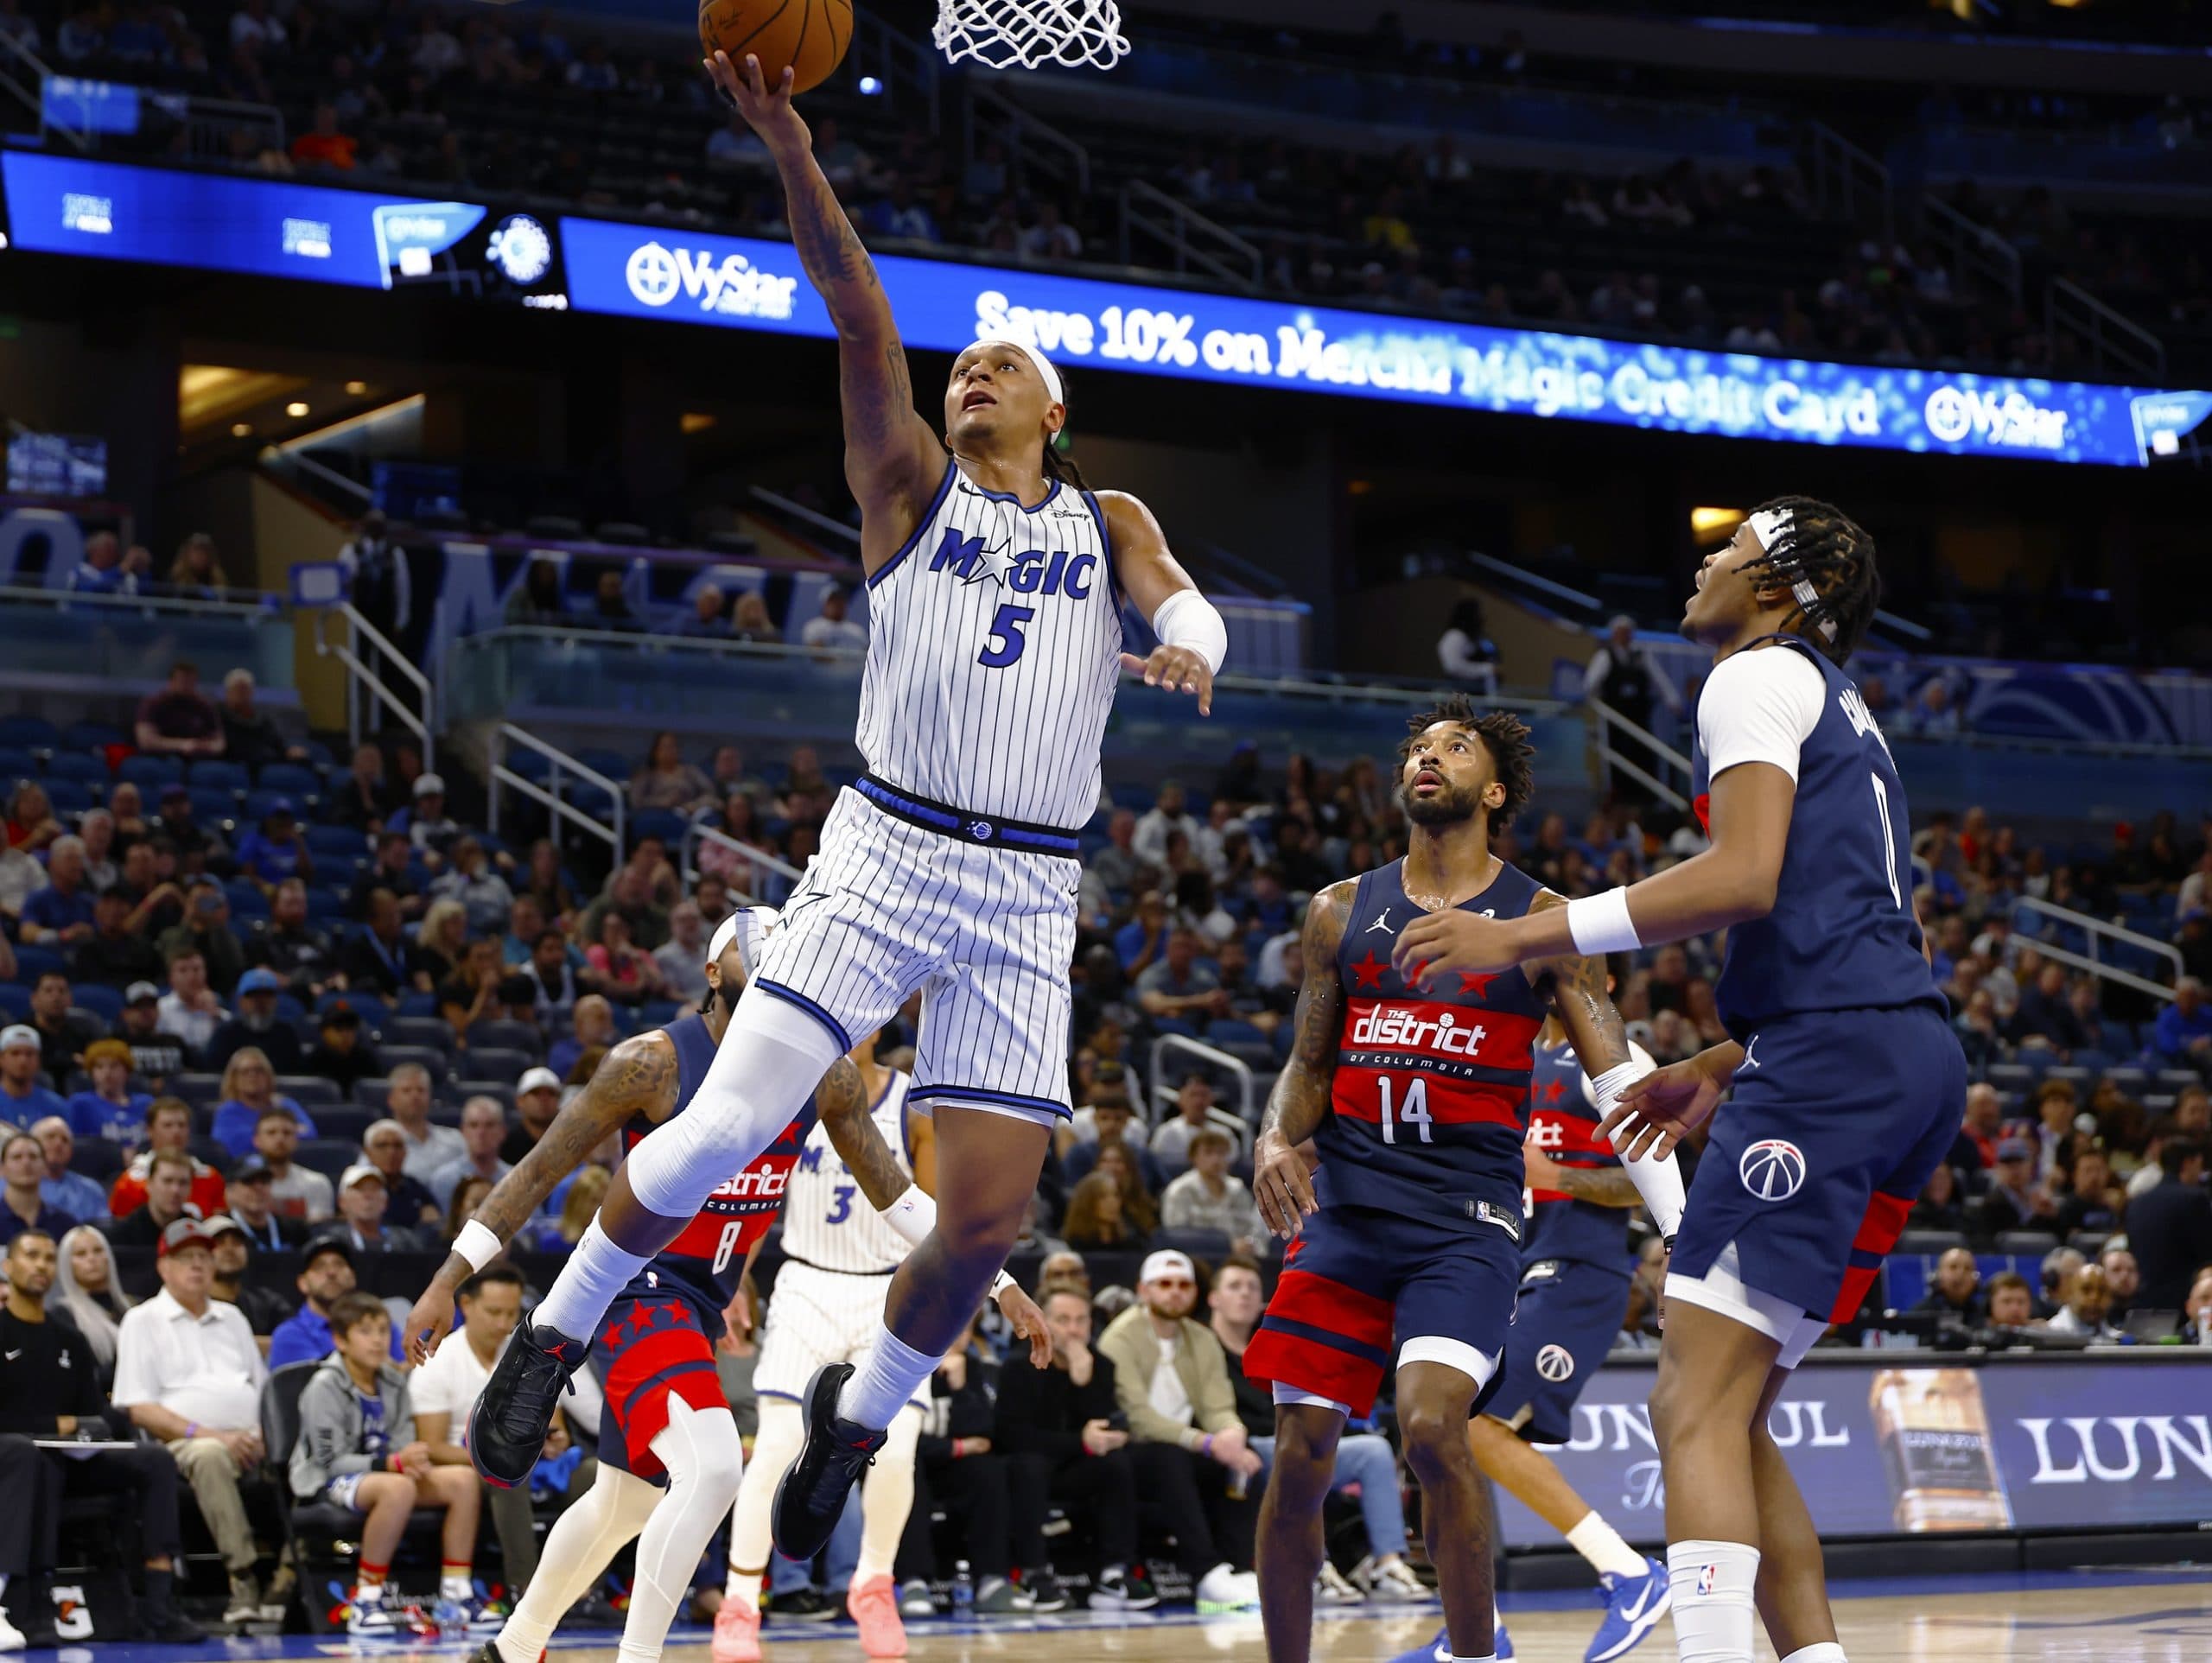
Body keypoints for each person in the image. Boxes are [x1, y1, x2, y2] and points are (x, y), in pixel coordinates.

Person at [464, 53, 1224, 1565]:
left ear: (1056, 409)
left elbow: (1183, 601)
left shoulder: (1105, 517)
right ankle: (553, 1333)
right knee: (723, 1120)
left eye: (1003, 364)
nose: (972, 371)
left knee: (990, 1225)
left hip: (1025, 890)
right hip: (884, 849)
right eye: (966, 366)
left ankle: (857, 1421)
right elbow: (860, 311)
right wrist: (793, 150)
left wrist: (1191, 647)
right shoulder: (904, 490)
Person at [1396, 500, 1962, 1663]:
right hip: (1898, 1055)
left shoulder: (1752, 675)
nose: (1703, 561)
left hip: (1834, 1056)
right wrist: (1722, 1058)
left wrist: (1524, 939)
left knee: (1688, 1405)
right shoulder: (1835, 698)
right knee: (1736, 1415)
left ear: (1778, 587)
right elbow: (1837, 912)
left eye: (1731, 549)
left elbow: (1746, 877)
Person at [404, 910, 1045, 1663]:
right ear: (714, 972)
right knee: (714, 1468)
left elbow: (898, 1196)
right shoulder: (651, 1063)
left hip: (697, 1304)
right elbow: (539, 1169)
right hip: (634, 1287)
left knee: (625, 1503)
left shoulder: (825, 1073)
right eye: (755, 943)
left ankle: (511, 1649)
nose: (775, 950)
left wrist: (997, 1282)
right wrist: (449, 1275)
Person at [1244, 701, 1669, 1663]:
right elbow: (1309, 1064)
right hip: (1346, 1211)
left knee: (1435, 1427)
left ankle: (1474, 1654)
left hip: (1461, 1225)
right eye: (1416, 746)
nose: (1426, 756)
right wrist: (1275, 1139)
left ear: (1497, 789)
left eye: (1453, 746)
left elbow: (1615, 1080)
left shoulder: (1541, 918)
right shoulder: (1340, 907)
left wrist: (1678, 1218)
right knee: (1299, 1453)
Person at [0, 1230, 206, 1641]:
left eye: (48, 1258)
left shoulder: (70, 1340)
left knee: (155, 1460)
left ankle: (159, 1597)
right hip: (14, 1459)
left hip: (66, 1458)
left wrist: (89, 1425)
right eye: (31, 1256)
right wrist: (58, 1425)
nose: (40, 1265)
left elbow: (90, 1415)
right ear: (7, 1267)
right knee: (32, 1455)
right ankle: (24, 1603)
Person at [1207, 1256, 1421, 1603]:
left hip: (1288, 1437)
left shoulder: (1272, 1339)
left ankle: (1386, 1564)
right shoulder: (1204, 1346)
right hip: (1243, 1447)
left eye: (1252, 1287)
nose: (1245, 1295)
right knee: (1295, 1450)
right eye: (1234, 1287)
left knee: (1373, 1450)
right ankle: (1313, 1568)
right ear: (1214, 1298)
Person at [110, 1216, 282, 1629]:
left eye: (204, 1256)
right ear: (163, 1267)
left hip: (249, 1440)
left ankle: (291, 1575)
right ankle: (243, 1579)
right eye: (186, 1257)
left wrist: (257, 1435)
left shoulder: (233, 1318)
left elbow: (262, 1393)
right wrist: (215, 1435)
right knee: (209, 1455)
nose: (198, 1265)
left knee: (305, 1452)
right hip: (180, 1442)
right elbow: (137, 1407)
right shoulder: (142, 1319)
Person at [291, 1291, 486, 1635]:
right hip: (328, 1480)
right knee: (397, 1488)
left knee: (463, 1480)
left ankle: (456, 1595)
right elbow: (331, 1461)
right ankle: (366, 1600)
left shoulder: (394, 1382)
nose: (378, 1340)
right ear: (341, 1340)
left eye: (383, 1331)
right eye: (366, 1332)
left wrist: (408, 1460)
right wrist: (393, 1462)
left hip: (386, 1473)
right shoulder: (324, 1385)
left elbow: (401, 1442)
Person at [1096, 1250, 1261, 1611]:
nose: (1175, 1292)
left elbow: (1217, 1406)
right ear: (1144, 1290)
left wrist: (1232, 1433)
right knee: (1169, 1459)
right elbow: (1138, 1416)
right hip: (1133, 1448)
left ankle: (1238, 1565)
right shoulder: (1119, 1338)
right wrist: (1205, 1441)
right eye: (1164, 1285)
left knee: (1248, 1464)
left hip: (1189, 1445)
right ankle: (1207, 1573)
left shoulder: (1201, 1338)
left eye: (1184, 1285)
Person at [992, 1282, 1157, 1610]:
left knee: (1117, 1464)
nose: (1073, 1329)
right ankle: (1032, 1572)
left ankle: (1114, 1572)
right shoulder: (1018, 1366)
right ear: (1042, 1321)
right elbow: (1010, 1434)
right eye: (1063, 1320)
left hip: (1074, 1466)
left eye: (1081, 1320)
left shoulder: (1101, 1365)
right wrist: (1079, 1440)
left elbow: (1105, 1421)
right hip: (1029, 1465)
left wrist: (1085, 1384)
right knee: (1030, 1466)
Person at [409, 1262, 556, 1606]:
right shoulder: (439, 1359)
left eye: (511, 1313)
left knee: (595, 1475)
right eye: (494, 1312)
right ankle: (528, 1596)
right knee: (507, 1474)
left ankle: (591, 1591)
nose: (504, 1323)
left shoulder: (527, 1354)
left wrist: (555, 1439)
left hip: (535, 1464)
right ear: (466, 1306)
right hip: (468, 1468)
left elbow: (555, 1420)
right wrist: (498, 1453)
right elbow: (430, 1446)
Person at [1583, 616, 1681, 803]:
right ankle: (1618, 794)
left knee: (1642, 755)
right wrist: (1595, 703)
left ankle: (1645, 797)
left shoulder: (1641, 656)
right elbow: (1590, 684)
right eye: (1620, 632)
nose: (1624, 636)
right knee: (1618, 757)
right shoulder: (1605, 656)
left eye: (1627, 632)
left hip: (1639, 716)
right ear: (1614, 634)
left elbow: (1660, 680)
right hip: (1615, 718)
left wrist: (1672, 701)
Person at [270, 1237, 400, 1368]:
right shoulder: (290, 1334)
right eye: (319, 1266)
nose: (331, 1273)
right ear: (302, 1283)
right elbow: (317, 1380)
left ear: (353, 1277)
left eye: (339, 1264)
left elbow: (408, 1368)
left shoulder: (380, 1326)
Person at [2126, 1137, 2210, 1312]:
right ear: (2187, 1164)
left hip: (2141, 1302)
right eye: (2199, 1166)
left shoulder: (2137, 1202)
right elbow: (2206, 1253)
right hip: (2182, 1303)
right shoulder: (2194, 1199)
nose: (2200, 1173)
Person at [108, 1102, 227, 1221]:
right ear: (150, 1130)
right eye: (167, 1125)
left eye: (181, 1125)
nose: (176, 1132)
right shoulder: (130, 1183)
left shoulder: (210, 1177)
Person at [1160, 1126, 1264, 1252]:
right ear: (1194, 1157)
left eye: (1221, 1153)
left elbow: (1251, 1230)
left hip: (1237, 1257)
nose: (1216, 1159)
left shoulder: (1237, 1188)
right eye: (1208, 1152)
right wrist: (1225, 1247)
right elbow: (1175, 1238)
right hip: (1196, 1257)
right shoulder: (1179, 1190)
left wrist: (1250, 1244)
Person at [52, 1222, 132, 1385]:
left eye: (98, 1251)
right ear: (67, 1264)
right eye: (81, 1254)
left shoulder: (133, 1306)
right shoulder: (63, 1315)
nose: (91, 1259)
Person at [210, 1038, 313, 1153]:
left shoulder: (285, 1104)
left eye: (258, 1070)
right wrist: (290, 1132)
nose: (252, 1075)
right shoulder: (227, 1112)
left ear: (269, 1076)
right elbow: (232, 1146)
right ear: (234, 1079)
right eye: (245, 1071)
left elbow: (310, 1133)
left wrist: (263, 1136)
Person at [207, 1213, 291, 1342]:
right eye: (219, 1243)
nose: (229, 1249)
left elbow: (293, 1339)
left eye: (237, 1243)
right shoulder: (193, 1307)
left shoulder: (266, 1302)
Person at [251, 1106, 334, 1222]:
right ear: (257, 1140)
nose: (280, 1139)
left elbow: (318, 1228)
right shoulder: (245, 1188)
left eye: (287, 1133)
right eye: (271, 1133)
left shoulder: (317, 1183)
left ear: (296, 1139)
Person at [64, 1036, 151, 1146]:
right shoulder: (81, 1104)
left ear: (127, 1070)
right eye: (100, 1067)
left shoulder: (146, 1103)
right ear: (91, 1073)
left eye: (114, 1066)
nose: (107, 1072)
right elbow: (75, 1145)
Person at [429, 1098, 513, 1209]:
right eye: (474, 1125)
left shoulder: (515, 1179)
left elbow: (535, 1223)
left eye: (489, 1125)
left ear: (503, 1132)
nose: (481, 1133)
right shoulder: (443, 1181)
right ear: (463, 1131)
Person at [362, 1119, 446, 1229]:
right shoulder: (357, 1188)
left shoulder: (416, 1188)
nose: (391, 1152)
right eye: (382, 1145)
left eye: (397, 1146)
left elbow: (435, 1220)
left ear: (405, 1152)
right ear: (368, 1152)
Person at [386, 1063, 466, 1177]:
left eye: (421, 1090)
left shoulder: (455, 1140)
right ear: (391, 1099)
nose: (415, 1096)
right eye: (407, 1091)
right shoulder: (380, 1144)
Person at [133, 660, 225, 758]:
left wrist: (206, 746)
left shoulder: (204, 706)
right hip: (157, 757)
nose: (187, 685)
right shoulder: (153, 703)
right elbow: (146, 742)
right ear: (171, 681)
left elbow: (219, 742)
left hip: (196, 759)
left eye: (191, 681)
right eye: (183, 681)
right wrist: (182, 745)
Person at [0, 1133, 73, 1247]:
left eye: (33, 1157)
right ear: (2, 1168)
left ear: (44, 1166)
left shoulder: (65, 1224)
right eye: (17, 1157)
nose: (26, 1163)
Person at [31, 1117, 108, 1224]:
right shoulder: (9, 1186)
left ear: (71, 1152)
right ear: (32, 1144)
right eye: (50, 1137)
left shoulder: (91, 1191)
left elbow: (102, 1230)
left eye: (65, 1140)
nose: (58, 1143)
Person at [1, 1025, 70, 1132]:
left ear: (38, 1060)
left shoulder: (56, 1107)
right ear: (1, 1059)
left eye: (29, 1054)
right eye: (15, 1053)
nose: (23, 1060)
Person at [1436, 598, 1498, 694]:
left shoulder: (1477, 637)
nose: (1483, 617)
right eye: (1478, 613)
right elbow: (1453, 666)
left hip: (1479, 692)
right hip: (1460, 691)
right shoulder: (1454, 636)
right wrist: (1485, 669)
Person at [1910, 1247, 1986, 1325]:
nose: (1960, 1273)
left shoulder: (1984, 1316)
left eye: (1967, 1268)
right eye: (1953, 1267)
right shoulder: (1921, 1314)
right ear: (1937, 1275)